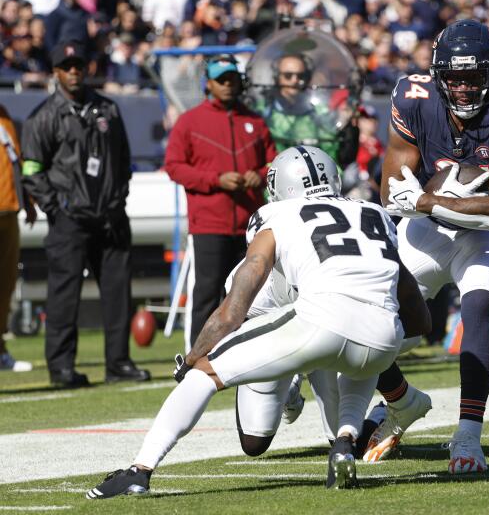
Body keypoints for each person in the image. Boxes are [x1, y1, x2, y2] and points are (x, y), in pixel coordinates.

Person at [85, 147, 430, 497]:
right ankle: (345, 441)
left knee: (204, 374)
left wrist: (192, 360)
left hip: (319, 322)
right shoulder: (374, 213)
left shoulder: (276, 215)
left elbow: (232, 313)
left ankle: (139, 470)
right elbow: (418, 316)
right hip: (383, 332)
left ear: (279, 188)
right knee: (358, 357)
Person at [374, 19, 489, 473]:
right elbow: (391, 191)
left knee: (478, 309)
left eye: (473, 76)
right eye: (454, 77)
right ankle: (394, 403)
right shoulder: (412, 96)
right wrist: (439, 203)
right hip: (429, 231)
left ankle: (468, 435)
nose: (463, 87)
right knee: (374, 316)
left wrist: (429, 200)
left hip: (485, 234)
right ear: (437, 73)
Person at [21, 40, 149, 387]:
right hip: (70, 222)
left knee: (118, 293)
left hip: (111, 217)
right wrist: (57, 208)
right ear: (56, 72)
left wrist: (118, 197)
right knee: (63, 296)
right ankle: (61, 368)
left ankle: (118, 363)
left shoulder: (108, 110)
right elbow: (31, 171)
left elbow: (123, 160)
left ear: (87, 68)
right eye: (67, 66)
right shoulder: (44, 117)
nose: (74, 71)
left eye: (79, 65)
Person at [164, 54, 276, 348]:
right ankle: (195, 358)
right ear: (208, 84)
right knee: (206, 294)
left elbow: (274, 164)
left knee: (253, 293)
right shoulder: (189, 122)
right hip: (209, 224)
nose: (228, 85)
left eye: (232, 79)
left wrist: (260, 175)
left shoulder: (254, 121)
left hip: (250, 225)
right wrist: (216, 179)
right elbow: (174, 166)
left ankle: (245, 352)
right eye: (221, 80)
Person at [256, 53, 358, 169]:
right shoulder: (263, 111)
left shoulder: (319, 111)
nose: (295, 81)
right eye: (288, 75)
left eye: (300, 76)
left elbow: (331, 152)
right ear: (277, 77)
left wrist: (346, 125)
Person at [0, 103, 35, 372]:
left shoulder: (6, 118)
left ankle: (0, 350)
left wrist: (29, 202)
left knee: (6, 285)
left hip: (9, 210)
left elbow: (16, 160)